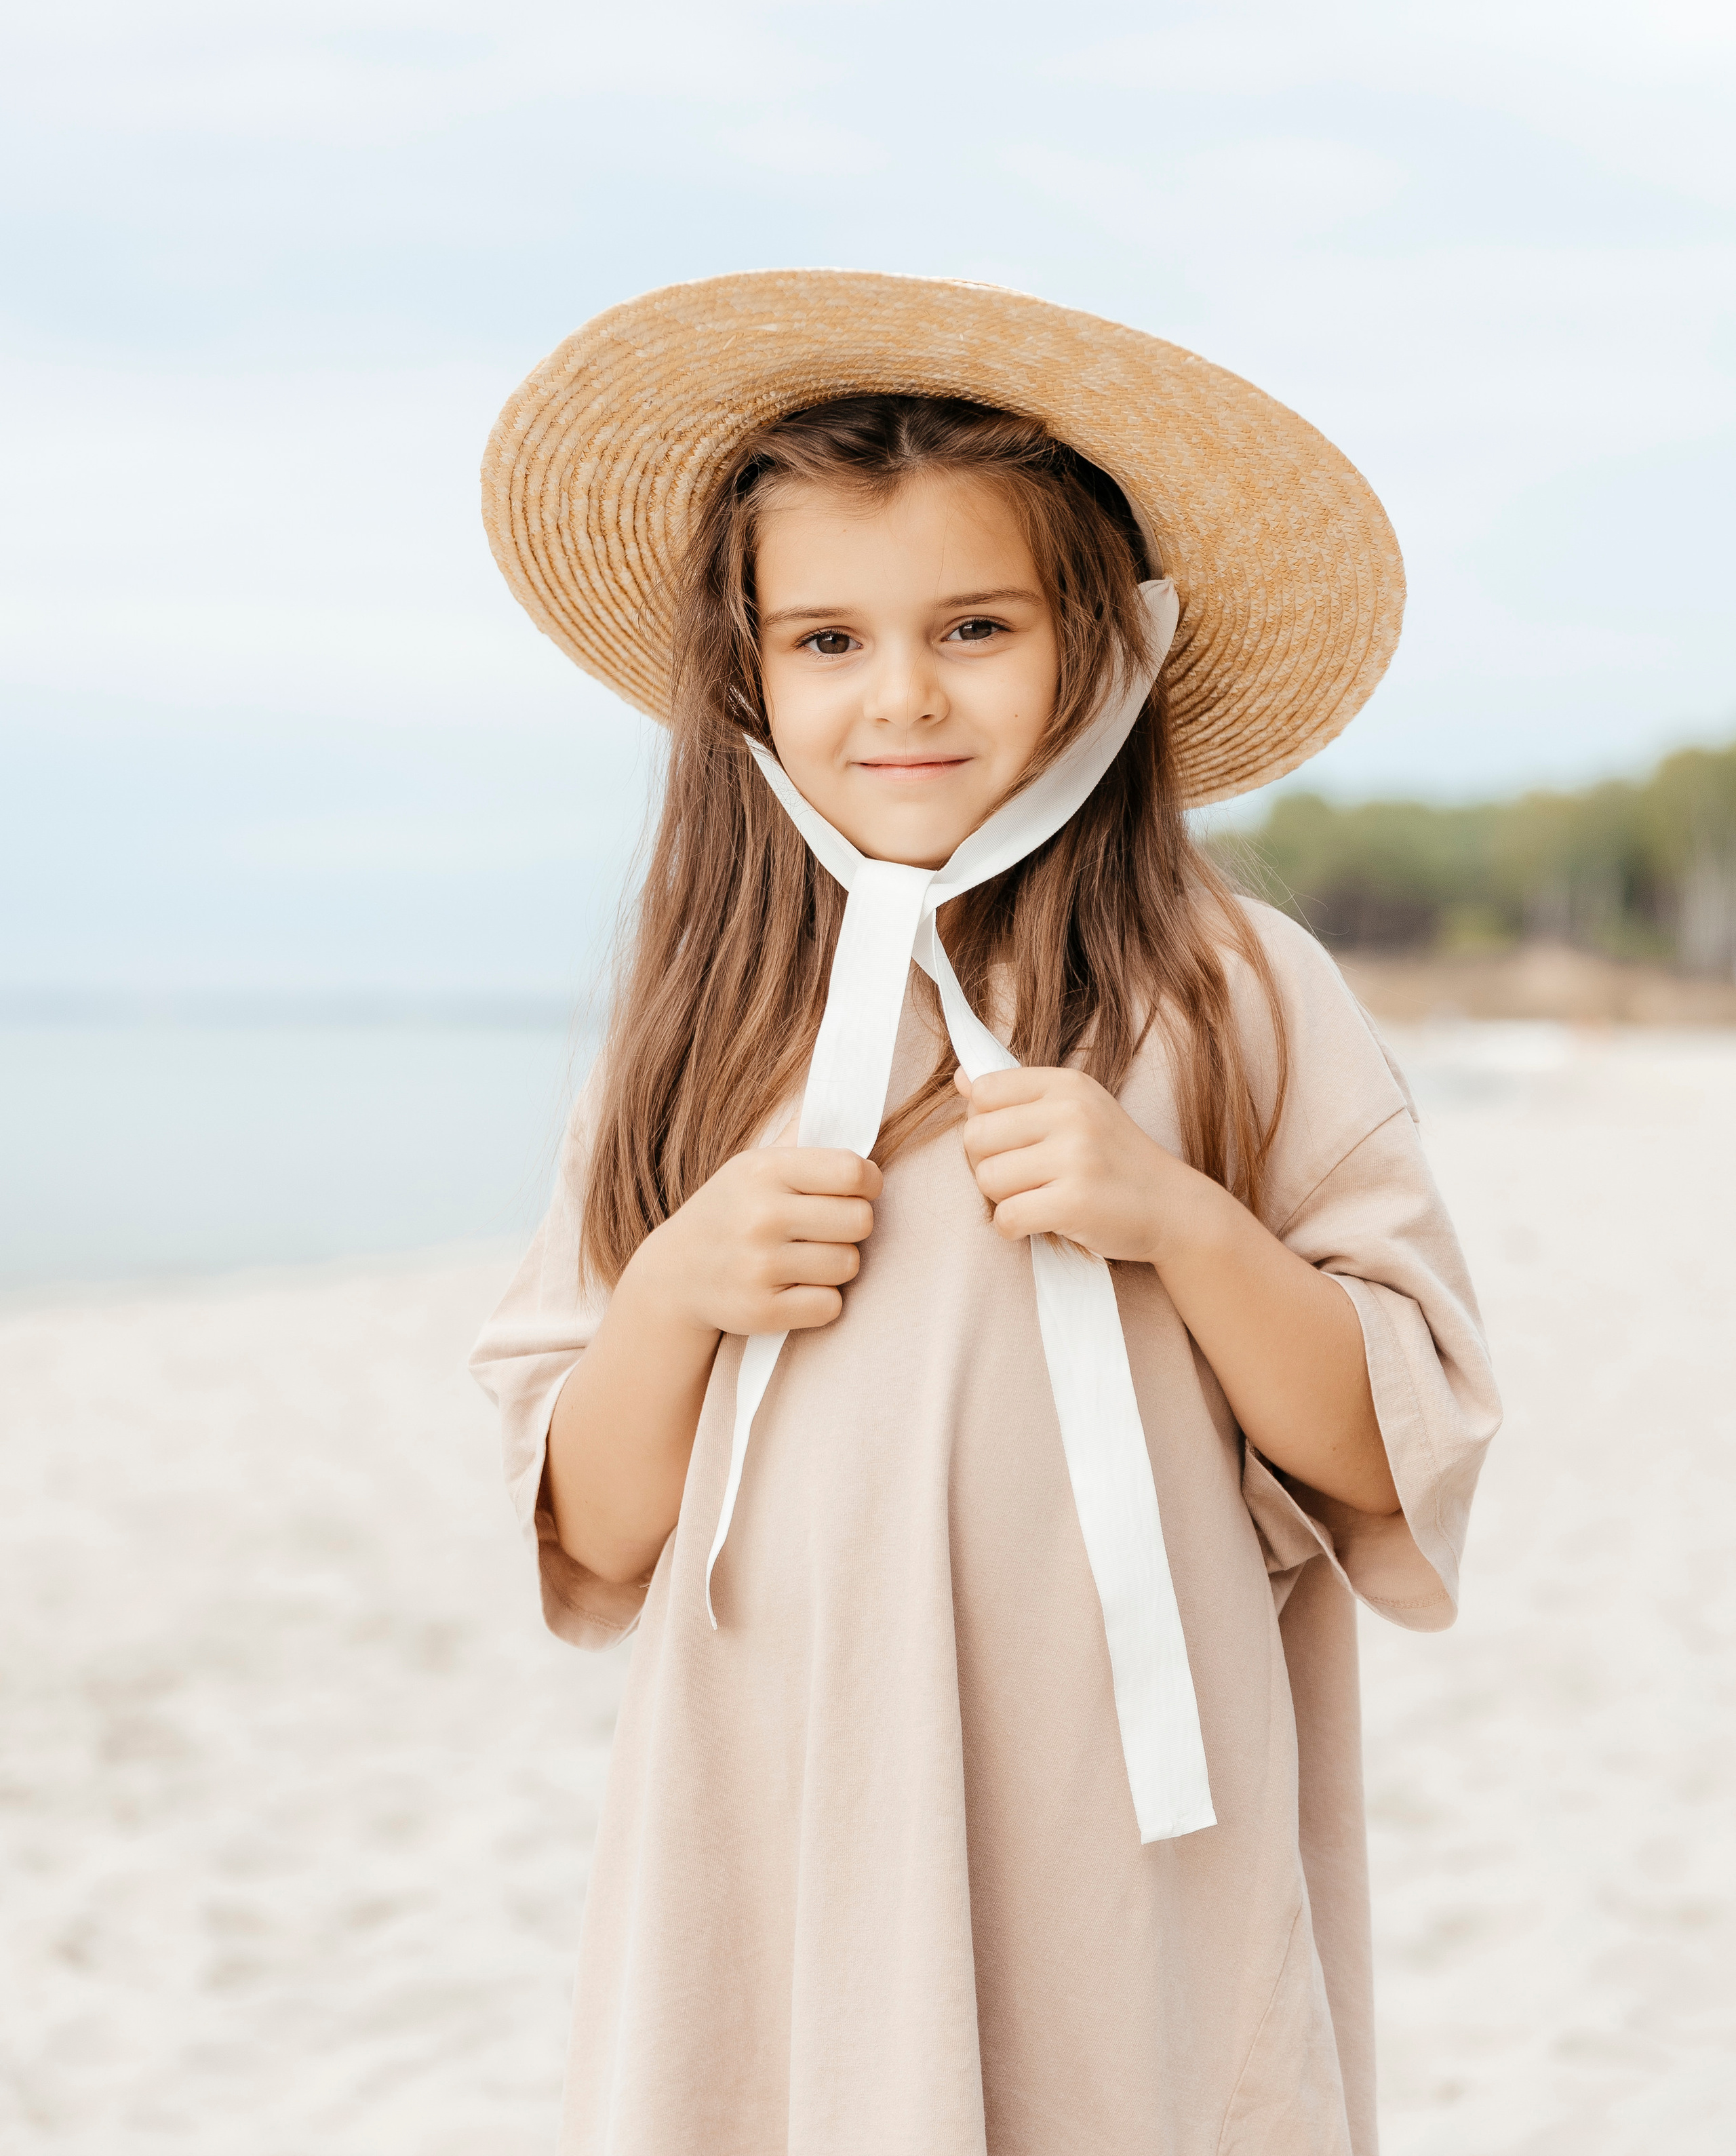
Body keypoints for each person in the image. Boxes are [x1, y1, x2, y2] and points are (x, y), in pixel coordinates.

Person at [469, 271, 1500, 2156]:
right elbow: (595, 1537)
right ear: (749, 674)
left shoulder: (1234, 988)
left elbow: (1388, 1455)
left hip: (1115, 1804)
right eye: (830, 641)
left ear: (1101, 643)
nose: (905, 696)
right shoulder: (697, 1016)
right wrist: (675, 1294)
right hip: (778, 1795)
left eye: (975, 625)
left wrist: (1182, 1222)